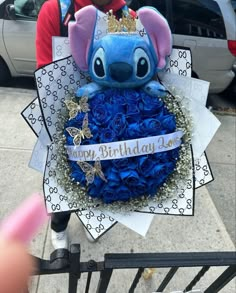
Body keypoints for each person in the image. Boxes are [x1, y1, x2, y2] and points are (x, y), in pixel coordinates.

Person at [36, 0, 133, 250]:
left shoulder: (127, 16)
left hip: (110, 118)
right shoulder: (56, 10)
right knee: (64, 178)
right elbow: (45, 71)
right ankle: (59, 224)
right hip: (67, 112)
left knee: (103, 176)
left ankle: (93, 217)